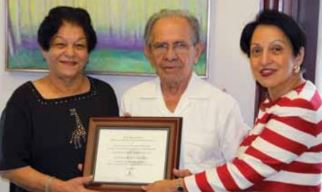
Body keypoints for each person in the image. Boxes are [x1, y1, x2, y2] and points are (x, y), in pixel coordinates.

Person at [142, 10, 322, 192]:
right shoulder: (279, 102)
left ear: (298, 55)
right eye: (256, 51)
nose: (264, 60)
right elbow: (246, 166)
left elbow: (244, 172)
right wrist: (195, 180)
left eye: (276, 49)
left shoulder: (300, 106)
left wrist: (179, 185)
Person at [0, 6, 119, 192]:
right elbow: (10, 167)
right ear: (44, 50)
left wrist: (128, 134)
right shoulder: (23, 100)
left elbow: (111, 154)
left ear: (88, 53)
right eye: (60, 44)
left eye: (79, 45)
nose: (70, 53)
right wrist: (57, 187)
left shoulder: (104, 94)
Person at [121, 9, 249, 176]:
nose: (170, 55)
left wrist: (195, 183)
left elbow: (241, 172)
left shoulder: (222, 105)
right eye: (161, 46)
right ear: (149, 53)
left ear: (197, 51)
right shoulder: (132, 100)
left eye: (180, 45)